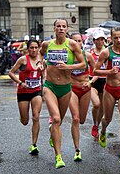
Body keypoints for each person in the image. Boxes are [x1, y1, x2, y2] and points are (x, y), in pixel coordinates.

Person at [40, 18, 85, 169]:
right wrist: (41, 63)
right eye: (58, 26)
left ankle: (53, 131)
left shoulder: (72, 44)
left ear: (67, 29)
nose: (61, 28)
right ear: (54, 28)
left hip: (65, 87)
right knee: (57, 119)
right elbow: (40, 55)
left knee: (58, 122)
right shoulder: (47, 44)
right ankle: (58, 157)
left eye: (63, 26)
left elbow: (83, 64)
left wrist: (68, 67)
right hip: (50, 86)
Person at [93, 27, 120, 163]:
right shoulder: (106, 53)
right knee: (108, 119)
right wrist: (109, 72)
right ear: (111, 38)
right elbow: (95, 70)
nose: (118, 40)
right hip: (110, 89)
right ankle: (103, 130)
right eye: (115, 37)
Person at [8, 39, 44, 156]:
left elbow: (44, 74)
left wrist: (42, 73)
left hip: (36, 91)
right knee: (25, 121)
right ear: (28, 49)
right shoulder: (23, 59)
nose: (34, 50)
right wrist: (20, 82)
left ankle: (34, 144)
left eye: (36, 48)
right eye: (31, 48)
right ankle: (23, 116)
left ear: (39, 48)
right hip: (23, 92)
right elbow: (11, 73)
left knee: (36, 117)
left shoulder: (41, 59)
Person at [69, 32, 97, 161]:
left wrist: (90, 82)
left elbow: (97, 72)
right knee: (75, 118)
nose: (77, 43)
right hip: (72, 89)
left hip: (85, 89)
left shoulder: (88, 56)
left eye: (79, 41)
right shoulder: (67, 57)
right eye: (75, 41)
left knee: (82, 120)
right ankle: (77, 149)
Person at [89, 29, 106, 139]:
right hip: (93, 81)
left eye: (102, 39)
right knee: (96, 104)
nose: (100, 42)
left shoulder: (108, 52)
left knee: (102, 108)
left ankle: (97, 125)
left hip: (105, 80)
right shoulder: (90, 53)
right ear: (94, 41)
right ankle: (95, 123)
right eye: (98, 40)